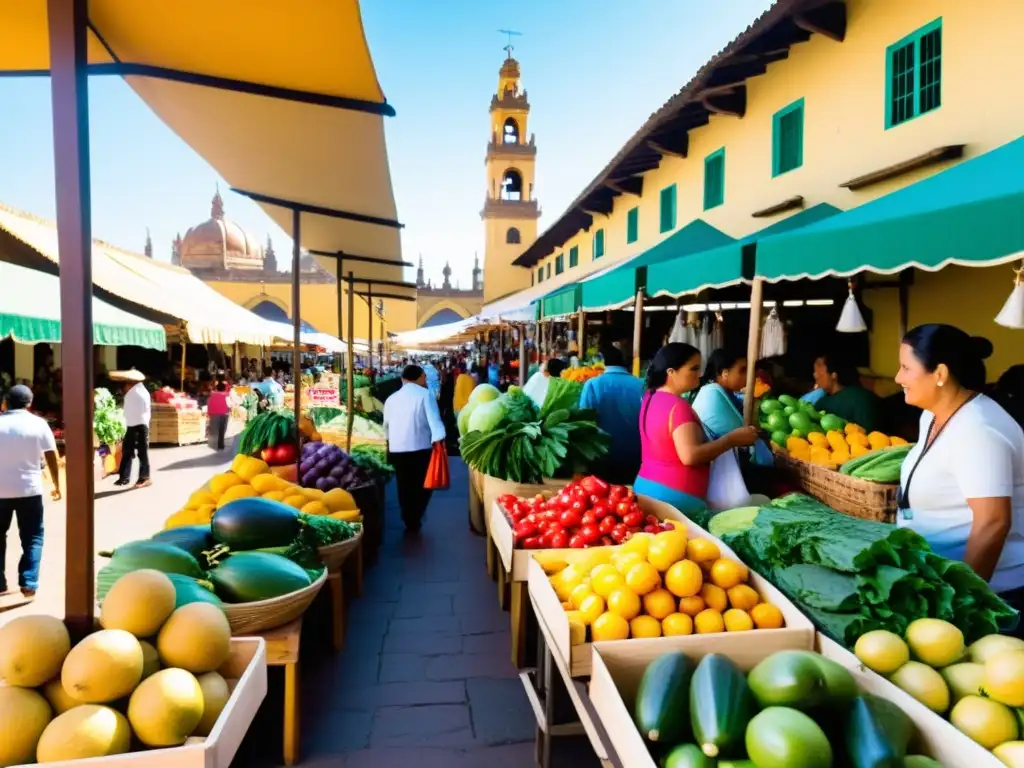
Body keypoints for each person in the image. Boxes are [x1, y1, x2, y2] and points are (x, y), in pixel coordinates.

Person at [895, 325, 1023, 623]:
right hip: (940, 583)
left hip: (991, 597)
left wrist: (961, 602)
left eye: (905, 367)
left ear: (939, 374)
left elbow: (993, 522)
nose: (898, 378)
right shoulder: (933, 414)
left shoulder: (978, 430)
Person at [634, 344, 756, 517]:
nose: (699, 374)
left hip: (646, 486)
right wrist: (731, 440)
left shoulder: (650, 398)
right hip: (675, 497)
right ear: (671, 372)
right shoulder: (677, 406)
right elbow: (690, 456)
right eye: (694, 368)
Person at [0, 385, 61, 599]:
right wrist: (57, 483)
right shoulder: (39, 424)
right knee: (33, 536)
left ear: (5, 402)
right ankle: (29, 583)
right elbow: (51, 455)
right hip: (30, 489)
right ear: (30, 403)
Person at [383, 364, 446, 533]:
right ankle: (415, 515)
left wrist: (387, 444)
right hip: (420, 447)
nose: (425, 380)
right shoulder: (425, 395)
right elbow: (434, 420)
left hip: (397, 448)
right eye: (424, 377)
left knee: (404, 485)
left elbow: (386, 426)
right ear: (417, 377)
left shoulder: (391, 398)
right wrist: (440, 439)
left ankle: (408, 518)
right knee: (423, 485)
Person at [692, 348, 773, 466]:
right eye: (742, 370)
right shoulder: (712, 393)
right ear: (725, 373)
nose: (749, 375)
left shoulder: (725, 393)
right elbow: (745, 435)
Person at [579, 345, 644, 484]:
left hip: (602, 459)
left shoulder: (592, 384)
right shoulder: (641, 385)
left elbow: (584, 422)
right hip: (636, 458)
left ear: (602, 363)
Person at [813, 352, 883, 432]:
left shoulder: (859, 398)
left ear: (833, 375)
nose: (815, 375)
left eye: (819, 366)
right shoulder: (821, 402)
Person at [116, 371, 152, 489]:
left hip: (139, 425)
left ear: (131, 384)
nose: (124, 387)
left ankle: (145, 477)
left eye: (126, 384)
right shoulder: (137, 392)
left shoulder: (138, 393)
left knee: (140, 452)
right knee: (128, 451)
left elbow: (134, 411)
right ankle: (124, 477)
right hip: (133, 424)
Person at [207, 381, 232, 451]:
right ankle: (221, 444)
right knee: (222, 430)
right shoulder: (227, 395)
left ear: (217, 388)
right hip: (224, 414)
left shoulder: (212, 395)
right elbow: (229, 405)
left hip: (214, 414)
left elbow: (209, 404)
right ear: (224, 388)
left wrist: (209, 413)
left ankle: (215, 444)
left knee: (215, 429)